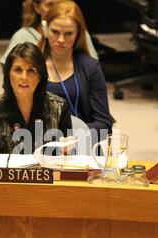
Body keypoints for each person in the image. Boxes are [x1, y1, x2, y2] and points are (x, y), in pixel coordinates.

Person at [0, 42, 72, 154]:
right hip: (9, 171)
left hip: (47, 171)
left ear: (40, 76)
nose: (24, 77)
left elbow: (69, 156)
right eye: (18, 70)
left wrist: (66, 151)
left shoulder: (59, 107)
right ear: (8, 74)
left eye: (31, 71)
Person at [38, 0, 112, 136]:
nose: (61, 39)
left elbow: (104, 124)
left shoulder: (90, 67)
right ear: (45, 30)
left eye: (68, 34)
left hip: (80, 143)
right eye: (55, 32)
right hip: (38, 141)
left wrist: (72, 135)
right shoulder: (31, 66)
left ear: (78, 34)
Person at [0, 0, 98, 67]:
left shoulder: (79, 33)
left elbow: (93, 70)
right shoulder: (22, 36)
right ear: (36, 7)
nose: (56, 10)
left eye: (60, 4)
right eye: (50, 4)